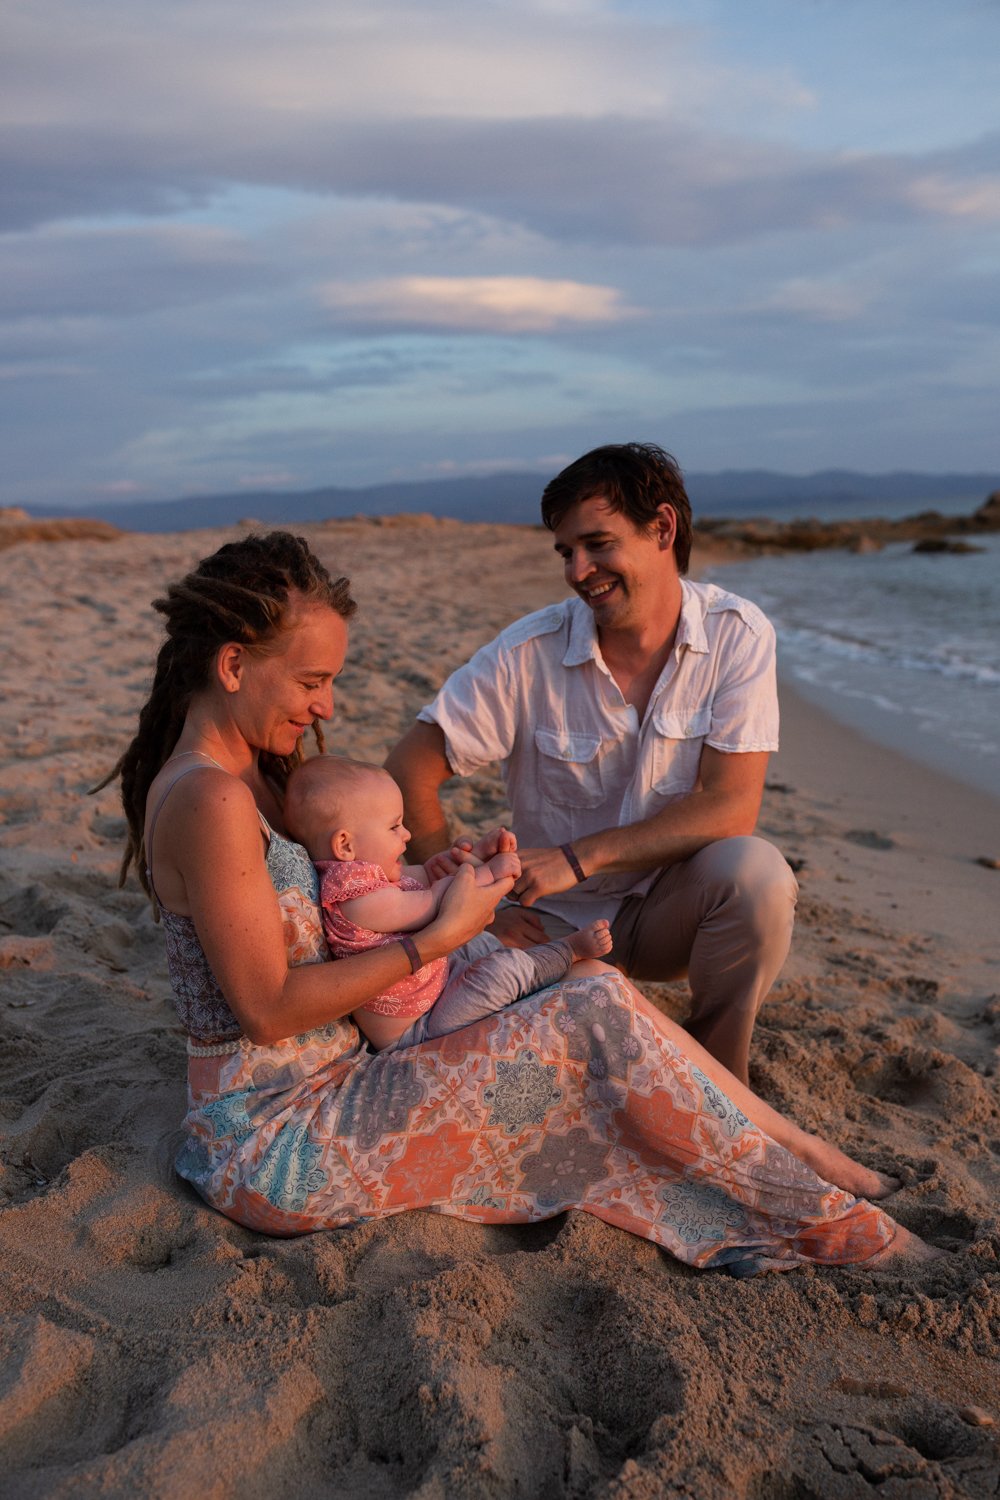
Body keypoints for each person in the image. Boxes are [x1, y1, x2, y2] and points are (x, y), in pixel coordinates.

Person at [102, 527, 936, 1272]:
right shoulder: (210, 799)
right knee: (583, 1019)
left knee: (591, 988)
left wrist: (437, 881)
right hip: (277, 1145)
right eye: (313, 681)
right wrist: (435, 941)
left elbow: (344, 903)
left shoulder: (257, 773)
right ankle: (833, 1224)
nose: (327, 705)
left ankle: (805, 1157)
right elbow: (269, 1009)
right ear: (234, 664)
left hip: (354, 1070)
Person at [386, 442, 796, 1085]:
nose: (579, 570)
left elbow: (732, 805)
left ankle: (723, 1076)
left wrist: (583, 856)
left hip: (670, 912)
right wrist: (461, 910)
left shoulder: (736, 634)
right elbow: (409, 768)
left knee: (758, 875)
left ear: (663, 528)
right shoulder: (527, 653)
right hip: (546, 926)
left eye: (598, 544)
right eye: (565, 552)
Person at [283, 754, 613, 1051]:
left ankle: (531, 972)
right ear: (345, 845)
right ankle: (565, 952)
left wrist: (477, 857)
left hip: (436, 984)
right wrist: (492, 874)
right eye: (394, 826)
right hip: (420, 1028)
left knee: (481, 942)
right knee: (501, 972)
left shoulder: (366, 876)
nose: (407, 835)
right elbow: (436, 901)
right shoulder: (355, 901)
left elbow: (427, 875)